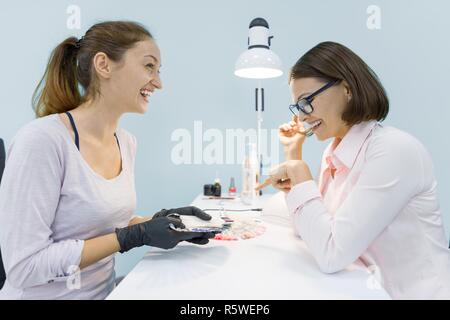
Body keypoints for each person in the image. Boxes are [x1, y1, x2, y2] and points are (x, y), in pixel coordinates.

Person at [0, 21, 215, 300]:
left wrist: (160, 222)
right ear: (104, 65)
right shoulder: (41, 141)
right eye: (149, 67)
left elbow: (100, 225)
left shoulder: (126, 142)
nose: (159, 83)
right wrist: (131, 237)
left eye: (158, 71)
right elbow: (24, 267)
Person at [257, 41, 450, 299]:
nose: (301, 117)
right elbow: (309, 229)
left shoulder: (393, 150)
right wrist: (294, 154)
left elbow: (331, 253)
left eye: (306, 102)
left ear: (346, 89)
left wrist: (301, 174)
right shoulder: (335, 152)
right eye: (297, 107)